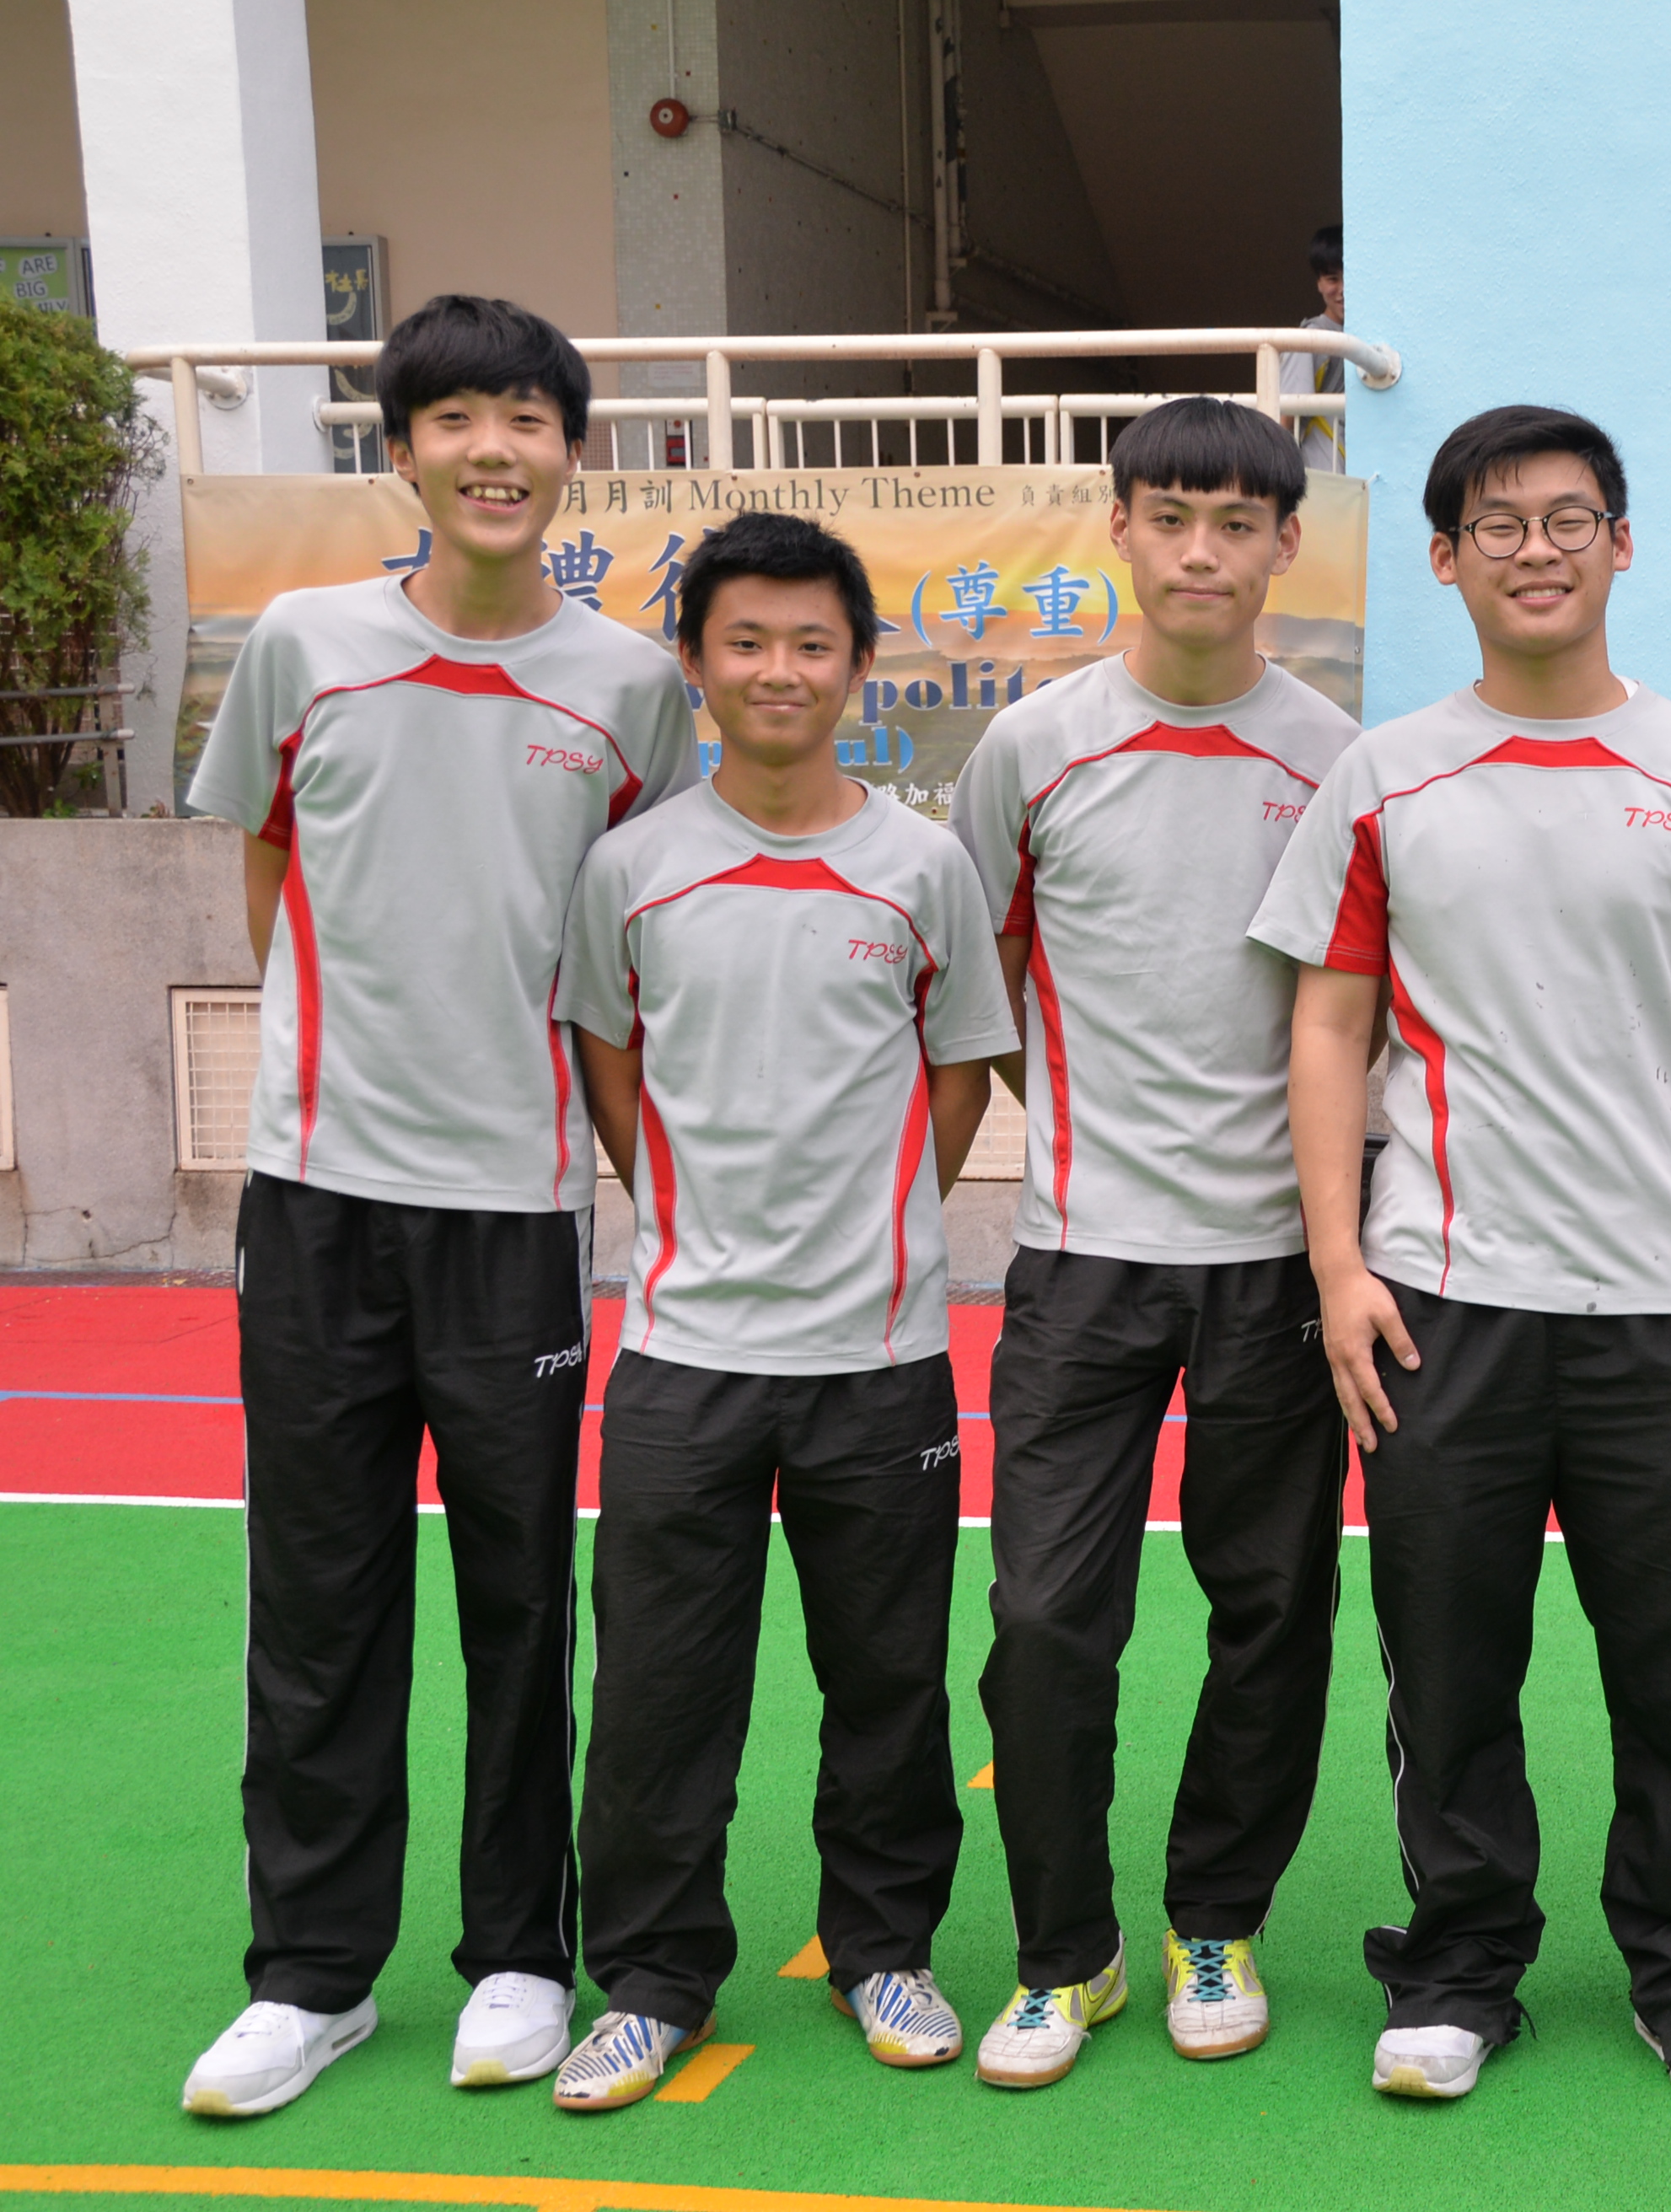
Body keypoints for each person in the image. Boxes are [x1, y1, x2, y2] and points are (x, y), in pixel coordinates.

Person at [1249, 404, 1671, 2104]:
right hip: (1443, 1297)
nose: (1535, 550)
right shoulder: (1387, 776)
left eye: (1570, 518)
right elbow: (1329, 1023)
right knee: (1448, 1663)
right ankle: (1457, 1964)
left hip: (1670, 1302)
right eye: (1497, 523)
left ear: (1624, 546)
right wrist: (1340, 1265)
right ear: (1446, 558)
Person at [177, 294, 700, 2120]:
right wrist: (337, 1063)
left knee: (519, 1603)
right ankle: (310, 1975)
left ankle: (517, 1957)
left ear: (572, 453)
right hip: (318, 1197)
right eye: (457, 417)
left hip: (519, 1212)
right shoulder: (304, 643)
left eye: (528, 419)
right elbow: (267, 861)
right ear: (400, 450)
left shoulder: (629, 686)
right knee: (318, 1597)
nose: (495, 449)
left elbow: (651, 927)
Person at [547, 513, 1019, 2109]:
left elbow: (958, 1074)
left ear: (859, 665)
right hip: (683, 1354)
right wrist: (702, 1224)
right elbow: (612, 1071)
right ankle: (654, 1977)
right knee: (659, 1690)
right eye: (745, 640)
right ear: (694, 661)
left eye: (813, 642)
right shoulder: (630, 869)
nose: (779, 670)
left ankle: (886, 1947)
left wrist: (872, 1230)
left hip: (879, 1359)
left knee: (886, 1680)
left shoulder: (922, 866)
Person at [949, 397, 1360, 2086]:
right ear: (1115, 526)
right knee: (1047, 1618)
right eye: (1170, 515)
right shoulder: (1030, 748)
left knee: (1271, 1607)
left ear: (1284, 543)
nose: (1202, 550)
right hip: (1083, 1254)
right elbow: (975, 987)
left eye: (1237, 521)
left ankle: (1216, 1919)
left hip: (1280, 1262)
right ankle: (1066, 1953)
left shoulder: (1337, 758)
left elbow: (1363, 1005)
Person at [1280, 224, 1347, 474]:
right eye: (1332, 279)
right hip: (1323, 474)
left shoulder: (1371, 337)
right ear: (1319, 283)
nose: (1343, 289)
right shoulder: (1309, 338)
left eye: (1350, 276)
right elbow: (1285, 420)